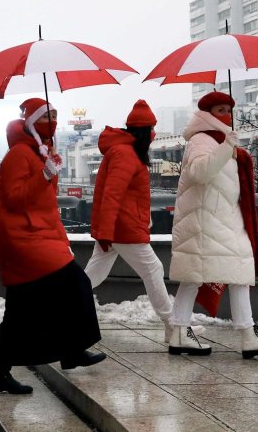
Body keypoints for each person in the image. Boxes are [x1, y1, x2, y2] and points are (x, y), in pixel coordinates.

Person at [0, 98, 105, 395]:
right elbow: (15, 199)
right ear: (31, 123)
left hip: (37, 236)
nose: (52, 120)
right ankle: (72, 351)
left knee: (20, 310)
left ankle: (1, 374)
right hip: (25, 239)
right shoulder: (18, 155)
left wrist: (48, 168)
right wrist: (45, 174)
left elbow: (43, 202)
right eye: (46, 116)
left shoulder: (38, 152)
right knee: (75, 284)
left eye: (55, 115)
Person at [168, 92, 258, 359]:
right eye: (220, 110)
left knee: (202, 275)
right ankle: (246, 335)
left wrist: (228, 147)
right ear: (207, 114)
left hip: (217, 220)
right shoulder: (202, 140)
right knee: (227, 272)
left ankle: (180, 332)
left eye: (229, 110)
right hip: (207, 221)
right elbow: (199, 173)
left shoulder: (218, 140)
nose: (226, 115)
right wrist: (226, 148)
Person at [85, 100, 173, 339]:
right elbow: (112, 195)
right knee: (153, 269)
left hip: (116, 228)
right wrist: (105, 232)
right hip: (123, 228)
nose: (154, 134)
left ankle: (52, 312)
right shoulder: (126, 154)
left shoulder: (123, 151)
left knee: (92, 276)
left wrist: (105, 231)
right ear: (144, 131)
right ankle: (173, 325)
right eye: (152, 129)